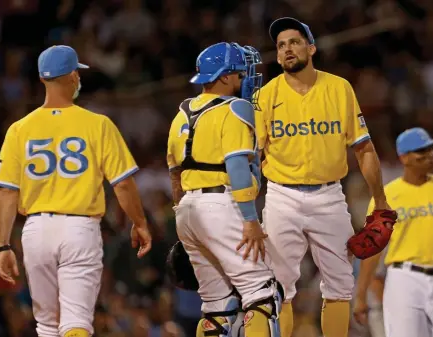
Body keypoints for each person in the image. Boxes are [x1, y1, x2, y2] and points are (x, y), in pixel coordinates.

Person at [0, 45, 152, 337]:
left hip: (36, 229)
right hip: (80, 227)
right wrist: (139, 223)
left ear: (42, 79)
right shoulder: (97, 124)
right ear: (73, 76)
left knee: (47, 326)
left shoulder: (19, 129)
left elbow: (6, 191)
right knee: (76, 321)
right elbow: (124, 183)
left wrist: (2, 245)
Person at [255, 17, 393, 337]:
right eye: (281, 45)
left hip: (329, 195)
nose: (288, 48)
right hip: (281, 195)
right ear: (277, 56)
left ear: (311, 47)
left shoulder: (339, 88)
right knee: (279, 285)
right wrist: (246, 212)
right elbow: (250, 158)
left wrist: (381, 202)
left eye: (295, 41)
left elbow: (364, 147)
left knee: (340, 283)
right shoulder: (265, 96)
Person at [166, 42, 281, 337]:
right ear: (226, 76)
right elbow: (238, 170)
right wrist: (250, 220)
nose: (244, 80)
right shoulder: (234, 108)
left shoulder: (181, 113)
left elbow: (175, 175)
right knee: (263, 294)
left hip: (187, 210)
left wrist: (186, 219)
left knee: (217, 306)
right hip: (221, 204)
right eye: (240, 74)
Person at [353, 127, 433, 337]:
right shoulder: (388, 196)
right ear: (404, 157)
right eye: (421, 151)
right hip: (404, 278)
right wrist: (361, 294)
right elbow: (373, 248)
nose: (429, 155)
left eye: (430, 149)